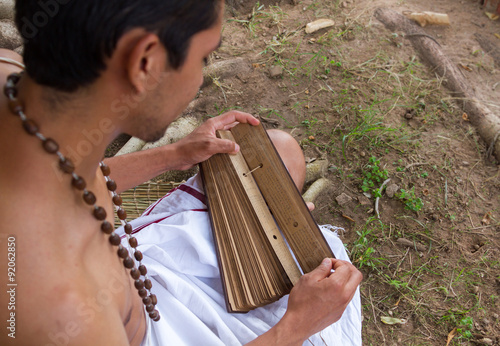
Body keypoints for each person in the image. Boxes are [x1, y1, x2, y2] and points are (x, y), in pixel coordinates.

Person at [0, 0, 362, 345]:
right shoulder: (61, 315)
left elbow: (70, 178)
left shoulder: (9, 76)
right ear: (145, 61)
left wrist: (177, 153)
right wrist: (295, 327)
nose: (200, 77)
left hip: (131, 273)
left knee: (280, 152)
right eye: (203, 57)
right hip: (158, 332)